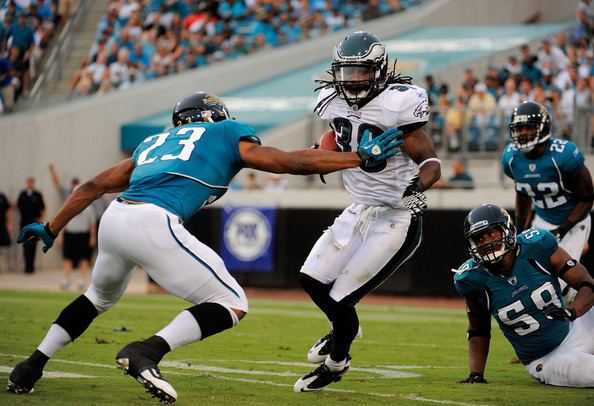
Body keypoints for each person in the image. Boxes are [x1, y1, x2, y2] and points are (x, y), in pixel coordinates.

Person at [7, 91, 402, 402]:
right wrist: (357, 158)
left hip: (115, 219)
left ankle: (31, 366)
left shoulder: (152, 143)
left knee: (95, 298)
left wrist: (51, 227)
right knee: (231, 302)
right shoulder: (226, 132)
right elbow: (288, 162)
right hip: (153, 221)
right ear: (214, 115)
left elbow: (91, 187)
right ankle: (147, 351)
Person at [294, 31, 441, 392]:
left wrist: (417, 188)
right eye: (346, 72)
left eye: (360, 72)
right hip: (358, 208)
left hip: (395, 215)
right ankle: (345, 329)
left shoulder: (398, 104)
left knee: (342, 297)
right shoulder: (331, 101)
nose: (352, 80)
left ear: (378, 70)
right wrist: (324, 152)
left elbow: (432, 162)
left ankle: (336, 361)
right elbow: (336, 136)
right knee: (311, 280)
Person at [453, 204, 594, 387]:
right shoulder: (472, 279)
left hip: (576, 329)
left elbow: (587, 283)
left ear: (508, 230)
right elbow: (479, 329)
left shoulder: (537, 245)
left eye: (492, 234)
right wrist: (476, 374)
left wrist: (572, 312)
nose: (486, 242)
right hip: (547, 358)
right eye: (479, 238)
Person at [502, 101, 594, 302]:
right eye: (519, 128)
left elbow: (587, 198)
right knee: (532, 276)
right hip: (542, 220)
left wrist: (563, 228)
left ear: (542, 128)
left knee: (559, 283)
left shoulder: (563, 155)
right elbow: (523, 192)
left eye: (529, 127)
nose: (524, 133)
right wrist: (519, 228)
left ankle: (575, 303)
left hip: (573, 221)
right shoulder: (511, 158)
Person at [49, 164, 96, 290]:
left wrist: (92, 238)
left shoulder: (89, 207)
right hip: (70, 234)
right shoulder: (68, 206)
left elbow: (92, 225)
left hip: (83, 235)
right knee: (67, 258)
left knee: (84, 258)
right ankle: (66, 280)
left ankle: (82, 280)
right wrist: (60, 235)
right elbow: (64, 221)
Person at [17, 177, 45, 274]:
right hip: (24, 223)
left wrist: (41, 222)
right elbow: (18, 206)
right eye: (29, 182)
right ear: (27, 183)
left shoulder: (37, 195)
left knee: (33, 244)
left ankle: (32, 267)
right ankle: (26, 267)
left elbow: (43, 208)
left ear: (34, 183)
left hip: (34, 223)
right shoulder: (23, 194)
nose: (30, 184)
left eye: (32, 182)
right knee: (25, 244)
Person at [0, 191, 13, 273]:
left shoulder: (2, 196)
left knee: (3, 244)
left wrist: (10, 224)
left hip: (1, 225)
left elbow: (9, 210)